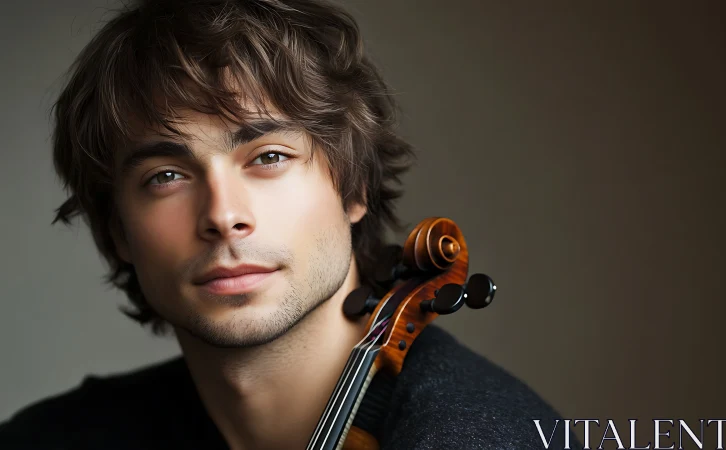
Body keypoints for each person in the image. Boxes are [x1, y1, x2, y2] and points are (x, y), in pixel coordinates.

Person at [0, 0, 572, 448]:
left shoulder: (477, 433)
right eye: (166, 176)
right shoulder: (55, 438)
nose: (224, 216)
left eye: (269, 157)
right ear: (117, 231)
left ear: (353, 187)